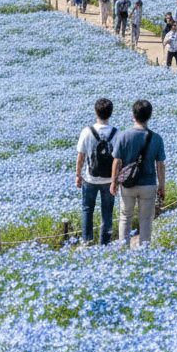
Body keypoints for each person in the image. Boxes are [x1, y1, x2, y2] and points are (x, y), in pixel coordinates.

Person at [110, 100, 166, 246]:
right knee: (146, 219)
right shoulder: (157, 138)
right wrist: (162, 186)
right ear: (150, 116)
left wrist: (113, 182)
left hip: (128, 184)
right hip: (148, 184)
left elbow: (117, 162)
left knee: (125, 217)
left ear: (133, 115)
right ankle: (144, 249)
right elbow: (160, 165)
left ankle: (123, 249)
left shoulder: (123, 136)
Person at [75, 98, 118, 245]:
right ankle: (104, 244)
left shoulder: (87, 132)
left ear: (95, 112)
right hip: (109, 180)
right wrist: (116, 180)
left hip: (90, 178)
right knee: (107, 213)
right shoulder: (116, 133)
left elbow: (80, 156)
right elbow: (118, 159)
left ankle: (87, 242)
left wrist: (78, 175)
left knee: (87, 210)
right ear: (110, 114)